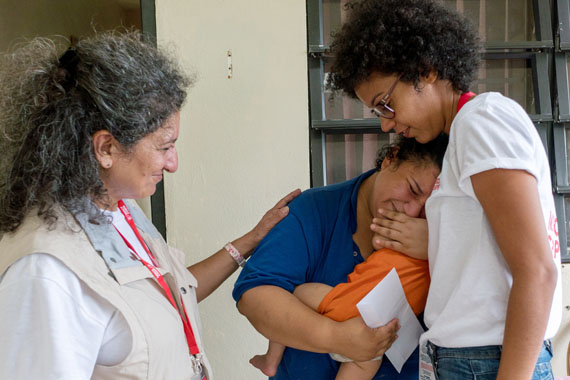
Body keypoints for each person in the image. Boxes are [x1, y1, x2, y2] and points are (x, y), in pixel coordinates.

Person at [0, 32, 300, 380]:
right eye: (164, 146)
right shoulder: (45, 270)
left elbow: (172, 294)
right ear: (106, 148)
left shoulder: (119, 211)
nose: (173, 163)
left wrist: (252, 239)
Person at [327, 1, 562, 379]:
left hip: (487, 362)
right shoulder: (467, 133)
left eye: (386, 104)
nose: (386, 125)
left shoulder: (481, 122)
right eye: (378, 112)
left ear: (426, 71)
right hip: (469, 359)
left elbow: (537, 271)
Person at [233, 134, 448, 380]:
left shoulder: (448, 235)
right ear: (392, 158)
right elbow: (254, 296)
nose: (411, 212)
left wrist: (440, 244)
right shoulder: (314, 209)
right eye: (412, 189)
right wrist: (337, 337)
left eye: (430, 209)